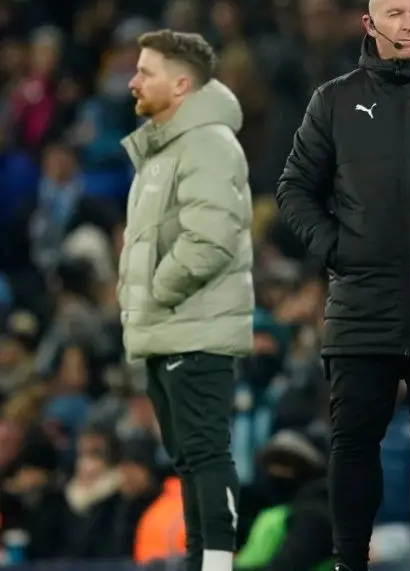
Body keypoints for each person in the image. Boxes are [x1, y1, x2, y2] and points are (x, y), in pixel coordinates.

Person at [275, 0, 410, 571]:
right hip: (363, 303)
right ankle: (347, 563)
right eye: (396, 14)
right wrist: (336, 247)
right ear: (369, 24)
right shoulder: (334, 100)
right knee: (352, 445)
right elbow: (294, 188)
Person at [120, 29, 253, 571]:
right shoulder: (165, 147)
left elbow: (210, 238)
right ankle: (203, 560)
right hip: (169, 328)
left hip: (196, 327)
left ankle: (216, 564)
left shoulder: (207, 143)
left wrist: (155, 291)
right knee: (188, 460)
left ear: (180, 84)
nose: (133, 81)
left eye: (145, 72)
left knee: (204, 453)